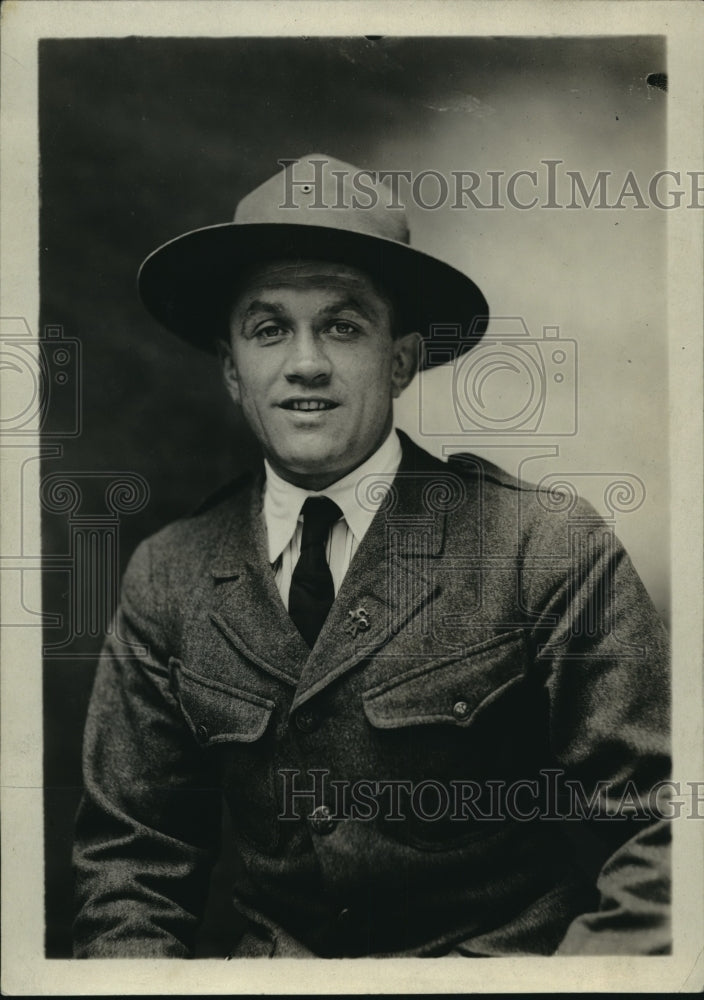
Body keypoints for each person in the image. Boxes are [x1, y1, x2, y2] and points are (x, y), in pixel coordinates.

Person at [72, 154, 670, 958]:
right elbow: (131, 868)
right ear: (231, 370)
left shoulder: (544, 546)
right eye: (269, 328)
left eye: (343, 326)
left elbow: (667, 834)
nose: (306, 362)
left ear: (402, 361)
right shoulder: (167, 575)